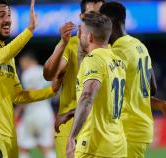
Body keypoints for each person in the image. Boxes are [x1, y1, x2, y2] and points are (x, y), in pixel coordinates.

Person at [0, 0, 60, 158]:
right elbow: (0, 56)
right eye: (1, 15)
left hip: (9, 134)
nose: (8, 20)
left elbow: (18, 95)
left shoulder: (9, 58)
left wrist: (51, 90)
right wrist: (29, 30)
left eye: (9, 15)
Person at [99, 2, 166, 158]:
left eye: (101, 22)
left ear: (111, 21)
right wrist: (162, 104)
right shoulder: (139, 45)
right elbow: (151, 88)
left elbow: (107, 94)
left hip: (125, 131)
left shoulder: (117, 52)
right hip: (138, 129)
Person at [43, 0, 105, 157]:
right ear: (82, 16)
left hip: (98, 129)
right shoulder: (71, 45)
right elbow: (49, 75)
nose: (96, 19)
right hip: (69, 126)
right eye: (92, 14)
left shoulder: (111, 51)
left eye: (100, 14)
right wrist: (61, 44)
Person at [66, 11, 126, 158]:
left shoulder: (93, 59)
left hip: (94, 146)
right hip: (117, 146)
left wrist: (72, 137)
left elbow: (87, 97)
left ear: (90, 37)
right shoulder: (118, 61)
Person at [17, 52, 56, 158]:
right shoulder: (44, 70)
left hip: (32, 113)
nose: (22, 66)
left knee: (23, 147)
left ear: (28, 61)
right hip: (46, 112)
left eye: (22, 63)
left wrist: (18, 111)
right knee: (47, 147)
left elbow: (30, 93)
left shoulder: (28, 73)